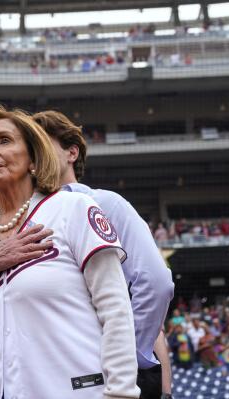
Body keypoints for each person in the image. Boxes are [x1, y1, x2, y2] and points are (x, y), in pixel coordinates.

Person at [0, 106, 140, 399]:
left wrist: (121, 393)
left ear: (33, 158)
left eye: (4, 140)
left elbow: (116, 309)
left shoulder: (73, 210)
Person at [32, 110, 174, 399]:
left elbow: (156, 282)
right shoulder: (22, 220)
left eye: (43, 144)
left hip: (109, 375)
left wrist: (125, 353)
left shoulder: (104, 203)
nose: (35, 156)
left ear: (72, 152)